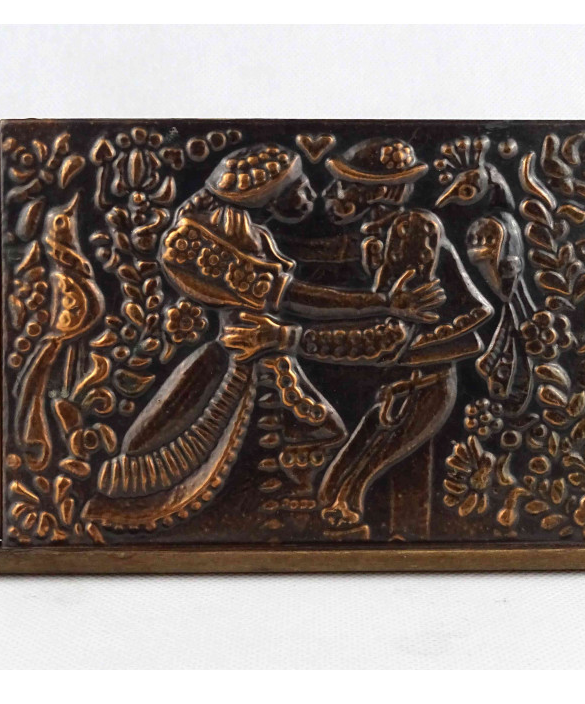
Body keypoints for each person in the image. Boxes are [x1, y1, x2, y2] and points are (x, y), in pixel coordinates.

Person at [81, 143, 444, 533]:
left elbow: (317, 264)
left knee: (287, 449)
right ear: (268, 195)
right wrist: (383, 303)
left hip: (264, 350)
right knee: (239, 455)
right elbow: (295, 298)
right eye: (299, 186)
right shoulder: (201, 244)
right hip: (246, 357)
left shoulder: (249, 233)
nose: (313, 193)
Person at [224, 138, 495, 538]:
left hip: (419, 386)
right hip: (400, 387)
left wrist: (287, 337)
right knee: (339, 496)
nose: (331, 192)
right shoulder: (378, 231)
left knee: (341, 500)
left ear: (379, 192)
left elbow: (387, 339)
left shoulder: (413, 230)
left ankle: (401, 561)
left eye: (346, 183)